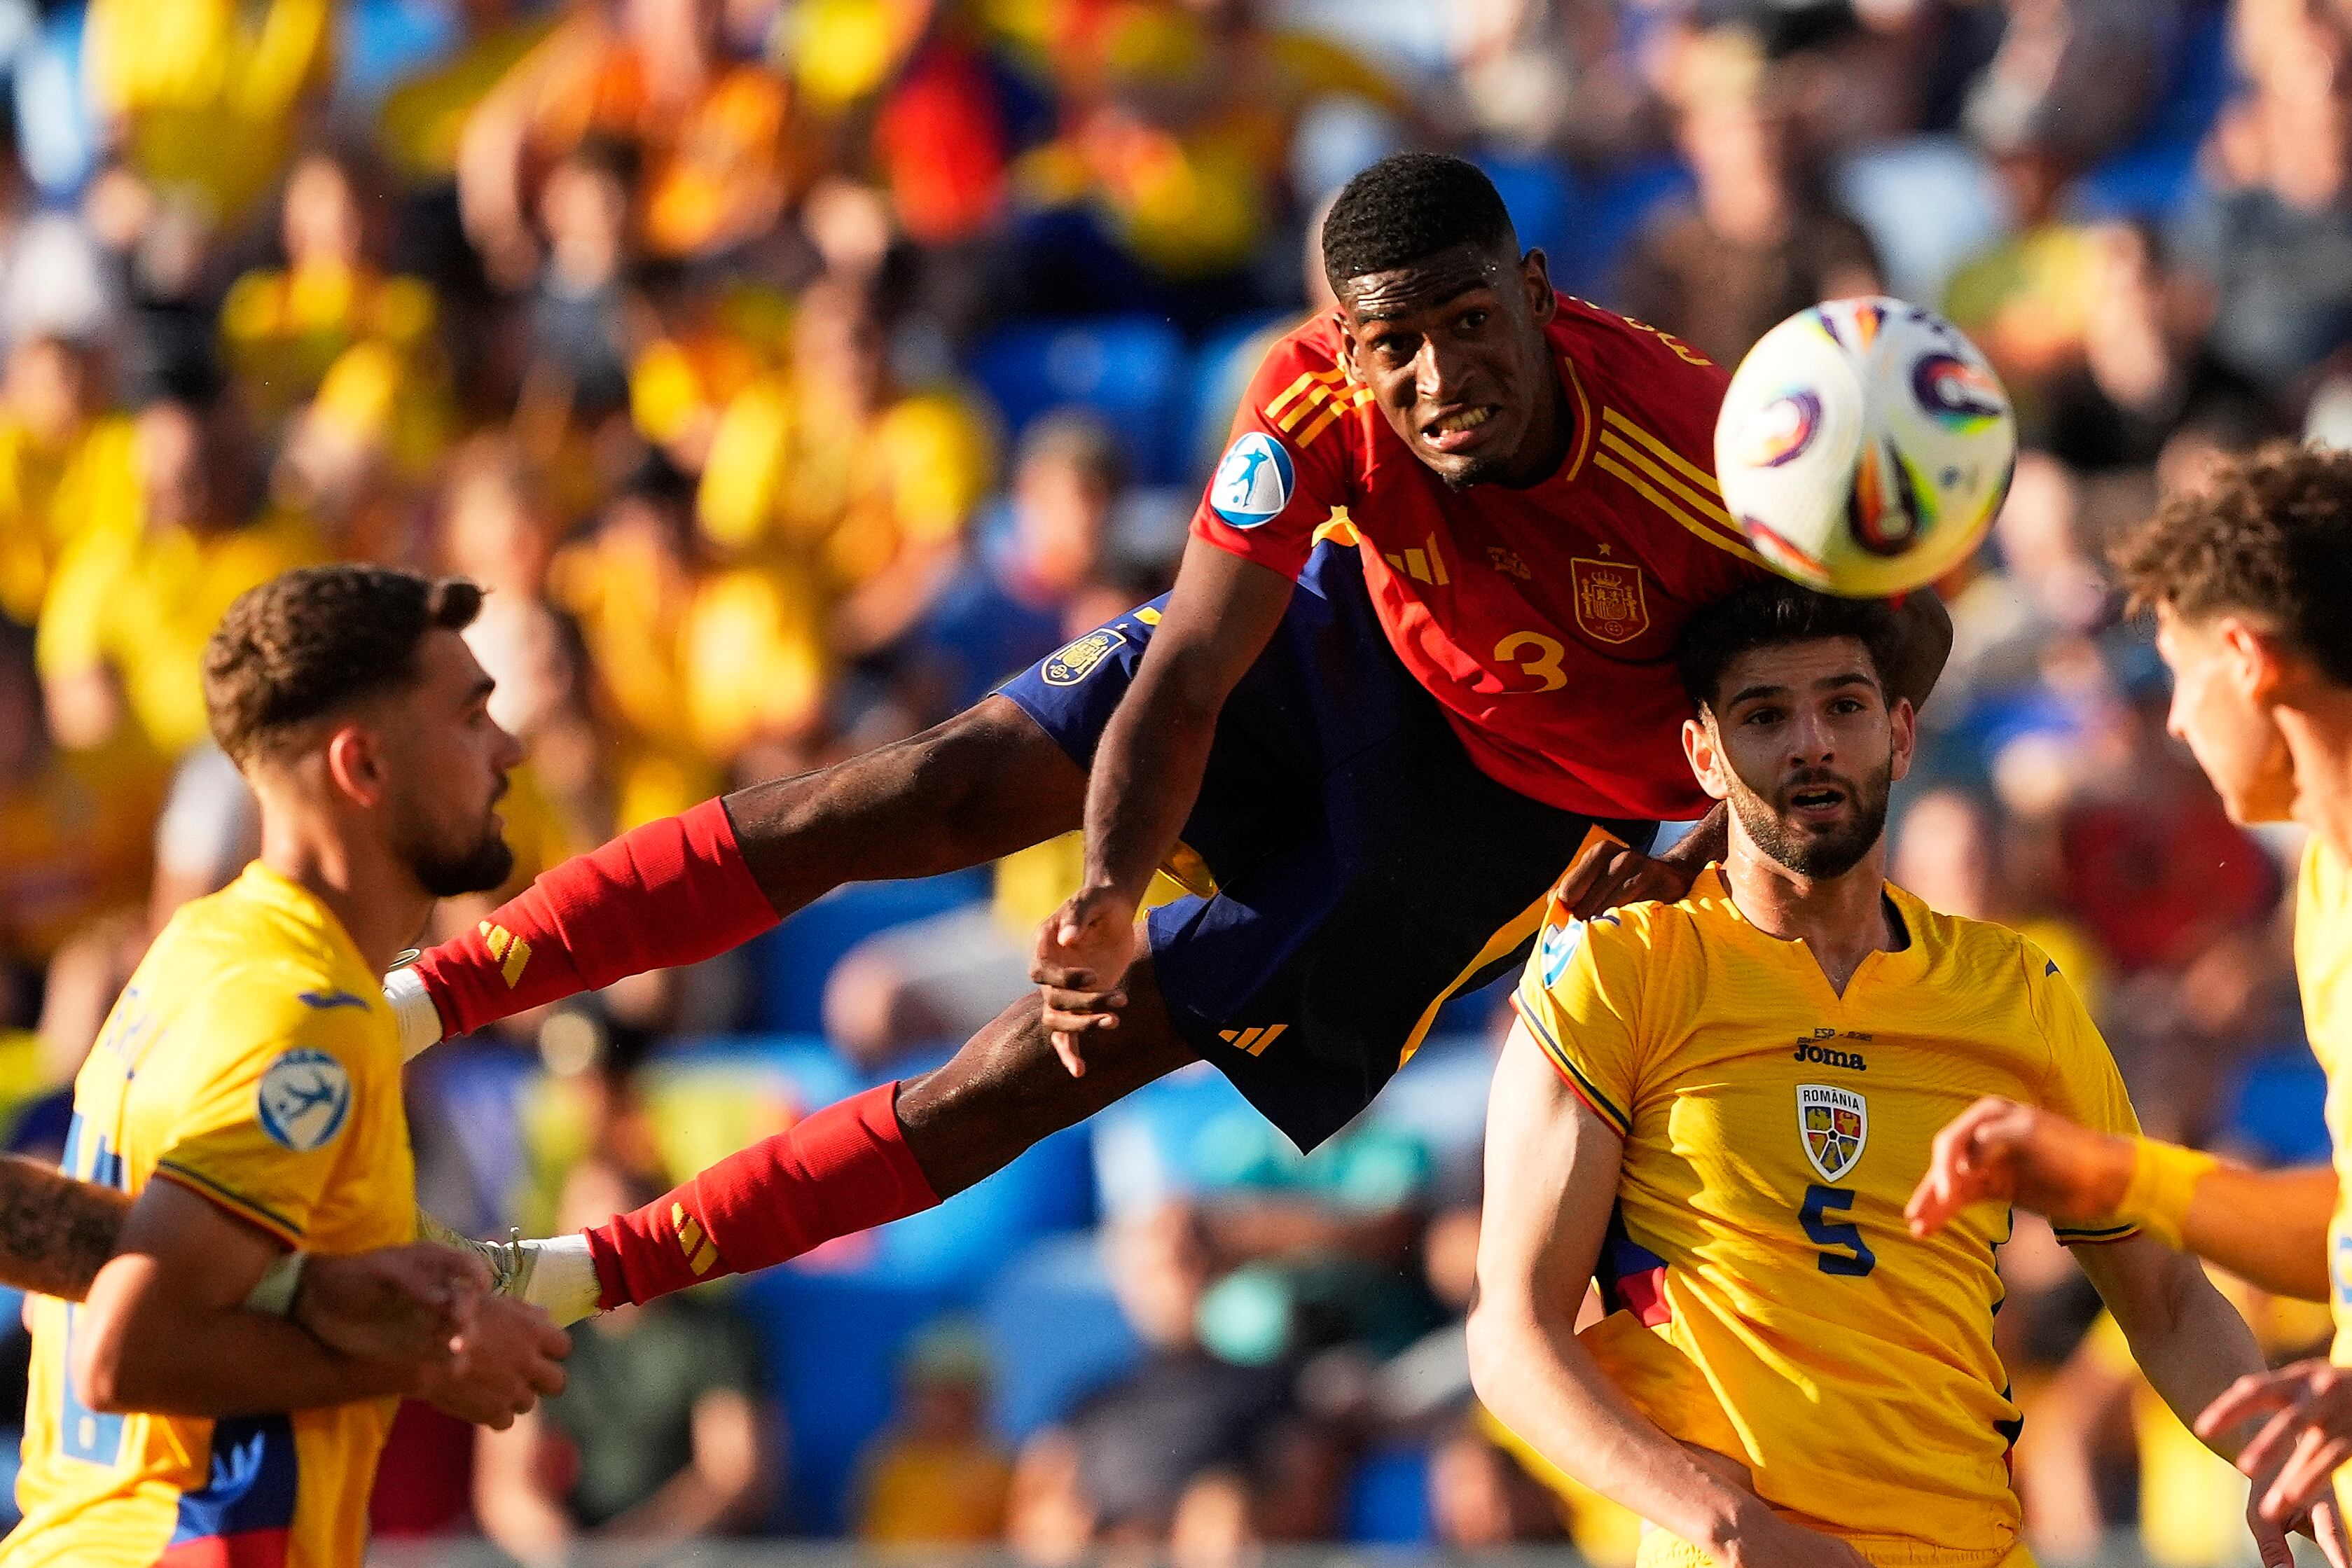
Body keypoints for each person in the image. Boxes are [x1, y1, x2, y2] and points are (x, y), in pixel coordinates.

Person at [383, 153, 1952, 1324]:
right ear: (1343, 345)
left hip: (1484, 824)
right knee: (926, 790)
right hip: (1346, 650)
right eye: (1388, 345)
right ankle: (425, 998)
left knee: (1033, 1070)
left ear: (1536, 295)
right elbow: (1192, 668)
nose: (1432, 378)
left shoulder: (1704, 457)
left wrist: (1679, 850)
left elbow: (1906, 642)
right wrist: (1104, 888)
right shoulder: (1312, 403)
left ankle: (577, 1273)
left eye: (1469, 326)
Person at [1470, 580, 2310, 1568]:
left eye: (1843, 707)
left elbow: (2161, 1292)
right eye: (1763, 716)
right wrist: (1736, 1530)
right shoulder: (1619, 972)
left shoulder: (2012, 987)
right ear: (1704, 753)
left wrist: (2271, 1456)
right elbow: (1512, 1340)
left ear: (1900, 736)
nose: (1810, 743)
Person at [2, 564, 572, 1567]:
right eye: (473, 719)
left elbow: (139, 1260)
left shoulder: (200, 952)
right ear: (363, 767)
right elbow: (133, 1351)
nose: (508, 749)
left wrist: (332, 1298)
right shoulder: (309, 1015)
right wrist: (427, 1358)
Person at [1906, 442, 2352, 1540]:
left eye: (2176, 668)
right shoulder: (2321, 893)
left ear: (2246, 659)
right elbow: (2342, 1235)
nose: (2172, 721)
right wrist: (2100, 1169)